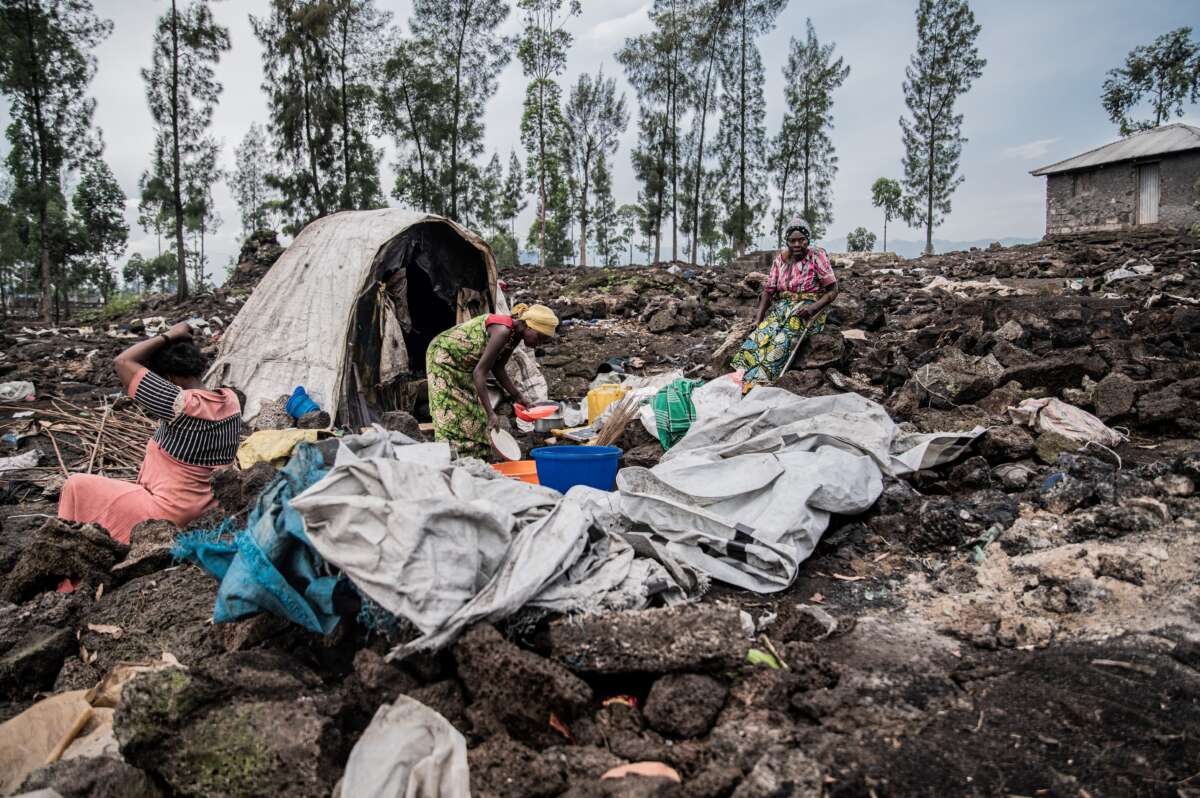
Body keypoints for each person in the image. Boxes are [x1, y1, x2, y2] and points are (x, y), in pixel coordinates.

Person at [58, 321, 242, 544]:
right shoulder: (230, 400)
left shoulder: (182, 404)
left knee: (76, 485)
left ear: (168, 379)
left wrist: (169, 335)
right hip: (203, 508)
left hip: (167, 513)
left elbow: (123, 361)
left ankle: (68, 549)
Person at [426, 303, 559, 459]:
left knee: (474, 414)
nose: (540, 343)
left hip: (464, 365)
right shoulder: (503, 331)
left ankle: (476, 459)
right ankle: (453, 459)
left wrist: (518, 396)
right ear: (529, 327)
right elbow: (479, 373)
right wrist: (491, 413)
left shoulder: (514, 335)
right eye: (540, 337)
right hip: (443, 359)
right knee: (451, 412)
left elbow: (498, 368)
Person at [732, 219, 839, 394]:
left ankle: (758, 387)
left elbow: (833, 290)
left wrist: (813, 309)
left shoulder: (816, 256)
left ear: (808, 239)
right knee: (759, 338)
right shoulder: (780, 261)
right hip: (782, 307)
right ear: (787, 242)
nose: (797, 244)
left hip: (808, 308)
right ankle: (738, 379)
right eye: (792, 241)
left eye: (801, 240)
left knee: (781, 342)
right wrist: (758, 319)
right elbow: (768, 291)